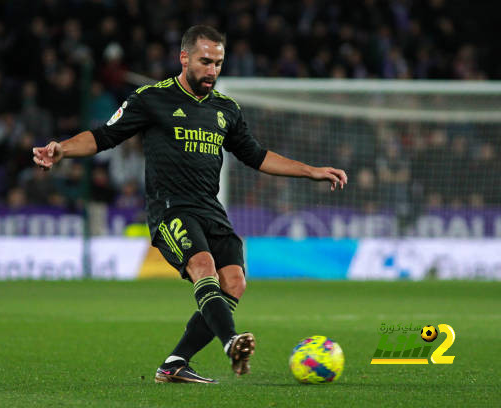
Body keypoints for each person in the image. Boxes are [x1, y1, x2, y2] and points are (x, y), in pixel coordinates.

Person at [33, 25, 347, 384]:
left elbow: (256, 156)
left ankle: (175, 363)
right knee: (203, 265)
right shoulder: (152, 98)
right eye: (205, 61)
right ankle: (231, 343)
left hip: (210, 209)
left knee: (234, 282)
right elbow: (104, 136)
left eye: (218, 63)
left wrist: (312, 171)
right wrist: (62, 149)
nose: (212, 70)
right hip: (170, 208)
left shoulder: (226, 109)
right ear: (184, 58)